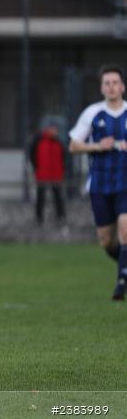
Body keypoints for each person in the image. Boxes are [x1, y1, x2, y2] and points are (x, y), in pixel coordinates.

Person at [68, 64, 127, 301]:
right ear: (102, 88)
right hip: (100, 185)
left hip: (125, 182)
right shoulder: (93, 113)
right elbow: (73, 145)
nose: (111, 87)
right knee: (106, 241)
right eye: (107, 83)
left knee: (125, 228)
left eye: (115, 82)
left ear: (122, 86)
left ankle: (121, 282)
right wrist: (96, 146)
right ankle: (124, 267)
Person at [29, 123, 66, 225]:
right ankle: (39, 218)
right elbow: (32, 156)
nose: (55, 132)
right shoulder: (38, 141)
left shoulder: (59, 143)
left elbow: (63, 158)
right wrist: (37, 168)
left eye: (56, 130)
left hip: (56, 174)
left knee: (58, 196)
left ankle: (60, 217)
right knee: (41, 197)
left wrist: (62, 171)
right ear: (48, 129)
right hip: (42, 174)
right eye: (53, 129)